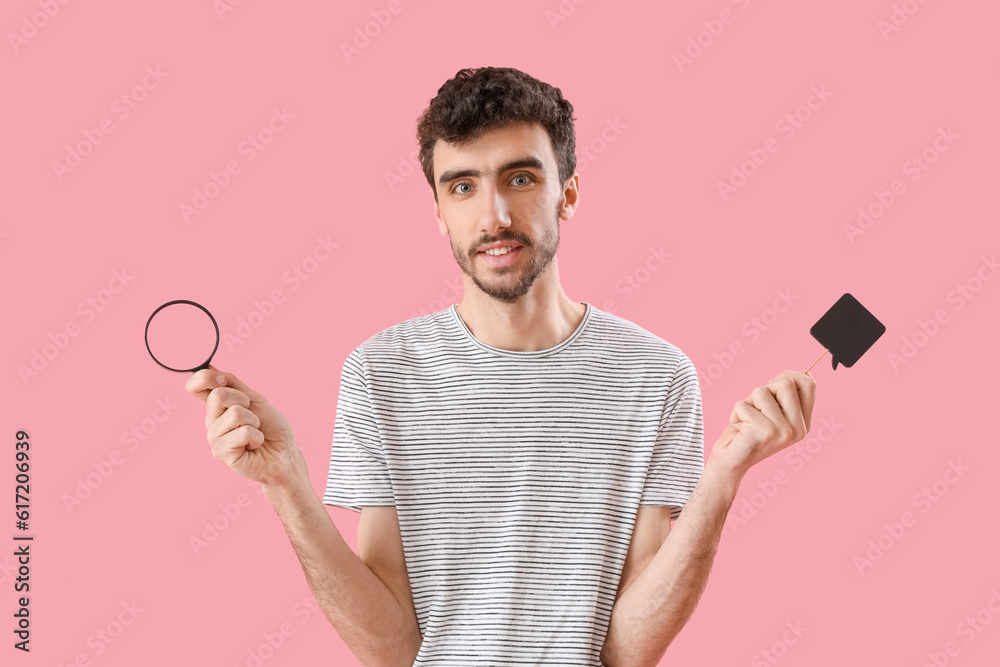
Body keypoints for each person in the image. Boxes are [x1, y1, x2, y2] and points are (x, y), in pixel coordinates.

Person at [185, 67, 817, 667]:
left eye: (520, 178)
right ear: (438, 210)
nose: (494, 217)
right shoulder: (381, 373)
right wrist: (287, 482)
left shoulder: (656, 375)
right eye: (462, 186)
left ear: (567, 193)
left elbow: (627, 651)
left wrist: (725, 474)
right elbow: (393, 649)